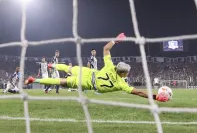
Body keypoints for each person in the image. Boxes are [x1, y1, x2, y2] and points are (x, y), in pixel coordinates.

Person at [25, 33, 168, 102]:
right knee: (60, 81)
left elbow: (105, 49)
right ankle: (34, 80)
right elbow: (138, 92)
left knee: (69, 69)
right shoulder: (121, 84)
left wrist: (116, 40)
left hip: (89, 73)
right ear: (124, 74)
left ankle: (51, 64)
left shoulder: (110, 66)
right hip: (87, 83)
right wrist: (155, 97)